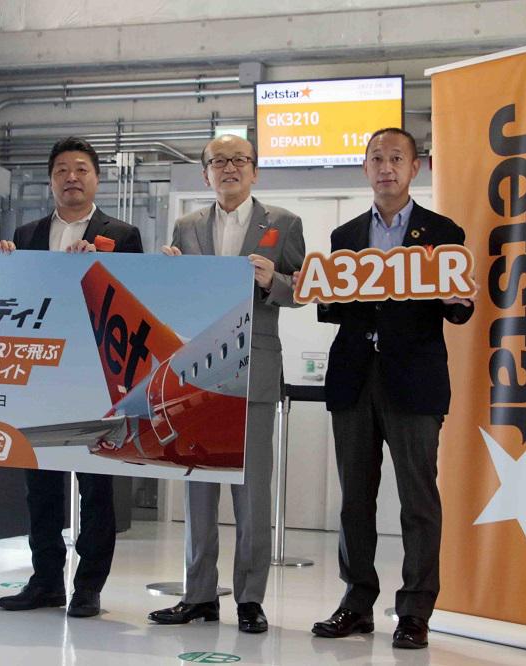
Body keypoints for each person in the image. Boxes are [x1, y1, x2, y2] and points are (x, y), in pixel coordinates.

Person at [309, 127, 474, 649]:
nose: (386, 167)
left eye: (396, 158)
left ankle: (415, 611)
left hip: (415, 381)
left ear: (414, 168)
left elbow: (458, 308)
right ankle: (356, 603)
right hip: (354, 377)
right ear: (365, 168)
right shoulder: (345, 236)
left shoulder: (443, 232)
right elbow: (336, 310)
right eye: (377, 158)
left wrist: (458, 303)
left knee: (417, 500)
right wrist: (322, 297)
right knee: (354, 499)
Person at [148, 134, 304, 634]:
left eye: (239, 160)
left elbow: (303, 290)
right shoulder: (187, 225)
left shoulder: (284, 223)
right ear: (206, 174)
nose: (229, 168)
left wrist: (272, 281)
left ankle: (250, 599)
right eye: (219, 161)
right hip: (199, 373)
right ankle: (198, 595)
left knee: (252, 492)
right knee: (197, 487)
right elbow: (178, 298)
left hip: (255, 370)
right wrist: (168, 274)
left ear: (254, 170)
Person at [0, 137, 142, 618]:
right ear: (50, 180)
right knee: (40, 486)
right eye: (61, 170)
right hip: (41, 375)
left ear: (96, 178)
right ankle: (46, 581)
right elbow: (15, 297)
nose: (71, 177)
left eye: (80, 169)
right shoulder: (27, 233)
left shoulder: (124, 234)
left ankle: (89, 586)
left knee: (96, 485)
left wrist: (96, 268)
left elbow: (134, 299)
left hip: (96, 376)